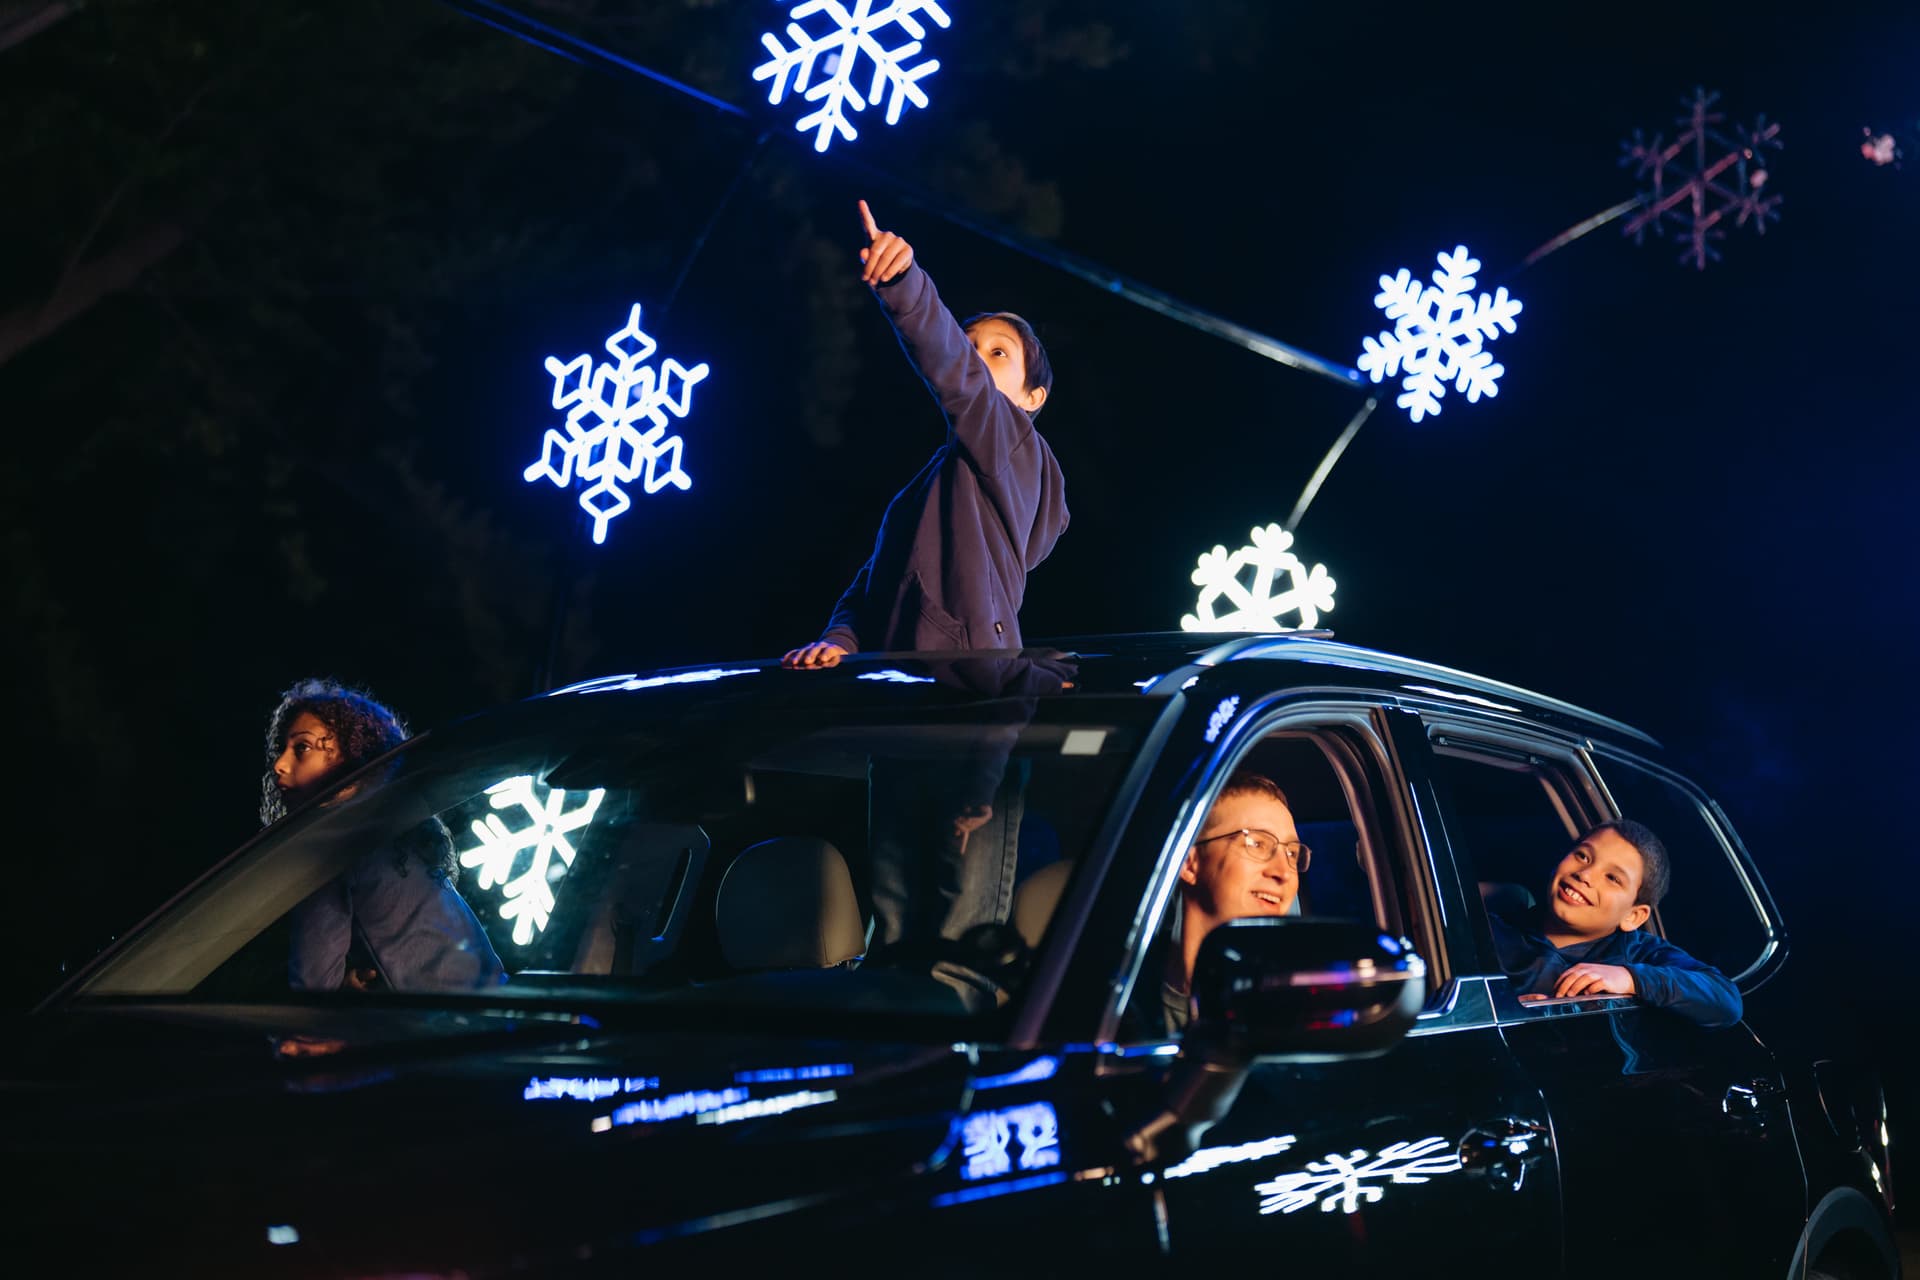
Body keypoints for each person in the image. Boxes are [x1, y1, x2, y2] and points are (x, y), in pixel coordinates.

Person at [782, 199, 1068, 669]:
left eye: (998, 353)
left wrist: (904, 283)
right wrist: (839, 641)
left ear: (1031, 399)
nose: (976, 357)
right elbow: (874, 583)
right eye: (969, 343)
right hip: (897, 690)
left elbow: (959, 374)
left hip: (965, 688)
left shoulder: (1016, 445)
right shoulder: (941, 485)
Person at [262, 677, 506, 993]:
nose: (280, 765)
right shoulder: (403, 837)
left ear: (352, 755)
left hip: (438, 1030)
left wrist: (343, 996)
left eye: (302, 748)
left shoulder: (333, 850)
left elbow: (313, 988)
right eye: (283, 749)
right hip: (492, 1016)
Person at [1487, 819, 1742, 1029]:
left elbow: (1726, 998)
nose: (1585, 875)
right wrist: (1500, 1009)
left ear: (1633, 916)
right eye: (1583, 856)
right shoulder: (1491, 929)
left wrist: (1631, 978)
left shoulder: (1637, 952)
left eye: (1612, 878)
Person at [1160, 771, 1309, 1032]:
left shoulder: (1302, 1014)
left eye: (1292, 853)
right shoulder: (1117, 1010)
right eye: (1257, 844)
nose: (1283, 872)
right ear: (1189, 863)